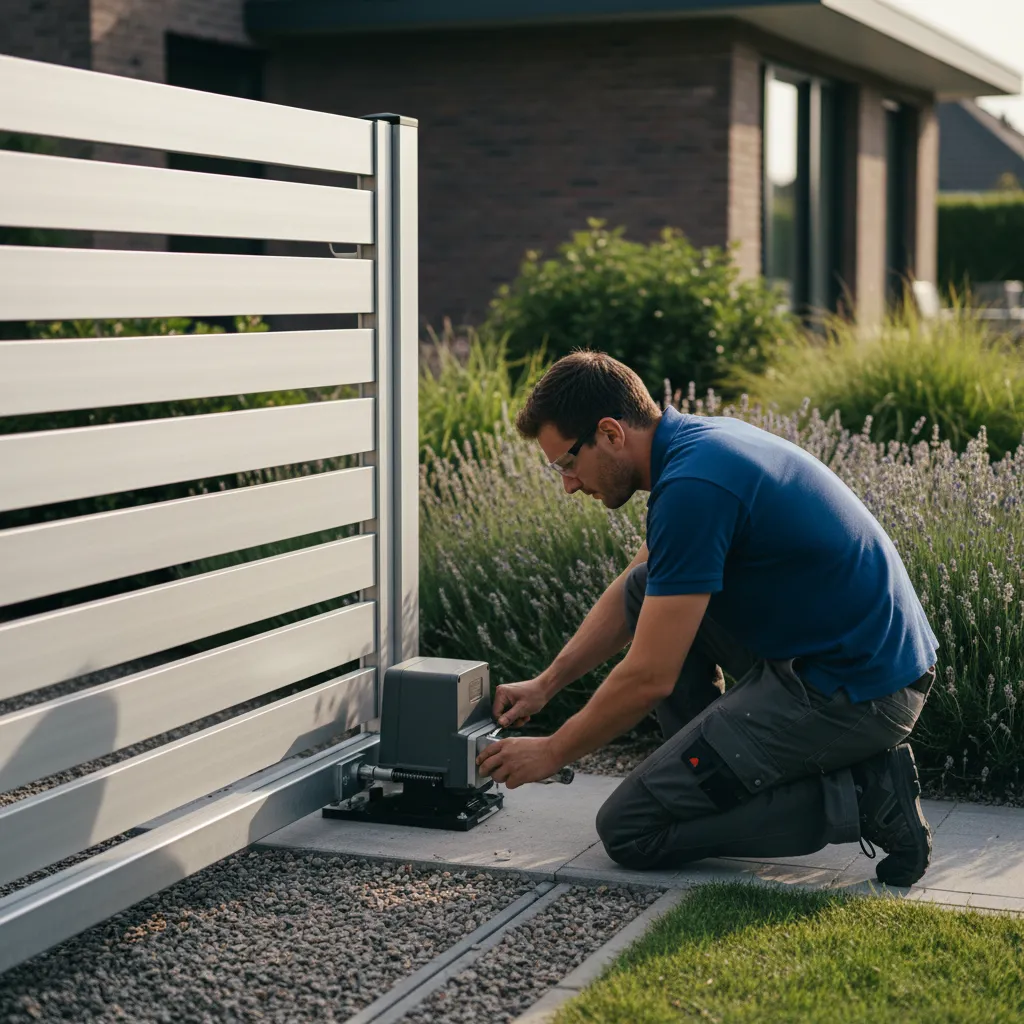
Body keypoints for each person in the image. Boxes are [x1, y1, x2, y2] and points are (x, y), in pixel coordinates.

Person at [475, 351, 938, 886]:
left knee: (631, 829)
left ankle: (864, 796)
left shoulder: (694, 487)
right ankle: (710, 775)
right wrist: (546, 685)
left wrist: (552, 752)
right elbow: (636, 586)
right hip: (840, 660)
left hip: (859, 692)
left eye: (566, 463)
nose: (569, 485)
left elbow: (649, 677)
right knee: (647, 589)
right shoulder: (696, 447)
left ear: (610, 433)